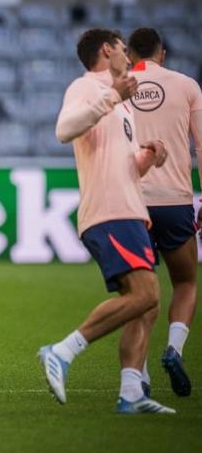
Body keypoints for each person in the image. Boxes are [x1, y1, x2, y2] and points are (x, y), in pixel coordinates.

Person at [40, 28, 173, 414]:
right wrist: (113, 96)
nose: (128, 56)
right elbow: (64, 130)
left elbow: (125, 165)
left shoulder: (124, 101)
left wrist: (149, 157)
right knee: (145, 294)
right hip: (109, 210)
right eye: (121, 48)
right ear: (106, 50)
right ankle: (62, 351)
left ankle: (132, 392)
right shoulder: (87, 87)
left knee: (146, 305)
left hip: (131, 209)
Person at [127, 27, 201, 397]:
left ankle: (138, 375)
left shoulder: (119, 88)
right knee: (185, 282)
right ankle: (174, 348)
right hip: (175, 200)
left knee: (141, 292)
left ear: (128, 53)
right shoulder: (187, 86)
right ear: (164, 54)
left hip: (132, 203)